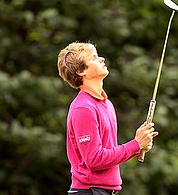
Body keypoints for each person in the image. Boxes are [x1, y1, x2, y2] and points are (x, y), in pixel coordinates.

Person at [57, 42, 159, 195]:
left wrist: (139, 146)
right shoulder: (83, 108)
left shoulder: (106, 104)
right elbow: (95, 160)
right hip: (89, 192)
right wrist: (135, 144)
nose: (102, 59)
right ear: (80, 71)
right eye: (94, 58)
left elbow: (108, 154)